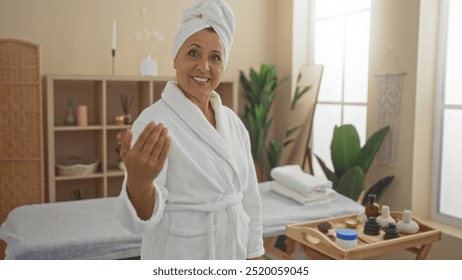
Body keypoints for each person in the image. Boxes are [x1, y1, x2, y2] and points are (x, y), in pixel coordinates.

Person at [115, 0, 265, 260]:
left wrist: (254, 255)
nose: (204, 66)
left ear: (223, 67)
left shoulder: (234, 124)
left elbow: (249, 198)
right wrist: (139, 184)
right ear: (175, 59)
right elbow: (139, 222)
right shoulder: (153, 124)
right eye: (193, 53)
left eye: (215, 57)